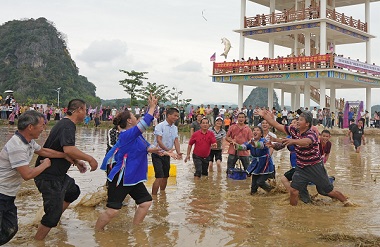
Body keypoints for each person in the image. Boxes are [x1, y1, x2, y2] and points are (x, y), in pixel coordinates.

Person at [96, 94, 174, 231]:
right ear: (129, 121)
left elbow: (148, 147)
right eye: (133, 116)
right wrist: (152, 107)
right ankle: (97, 232)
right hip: (121, 178)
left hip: (134, 178)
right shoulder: (126, 135)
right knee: (113, 211)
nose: (136, 118)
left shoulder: (137, 137)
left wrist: (165, 152)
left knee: (146, 202)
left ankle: (136, 229)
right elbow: (144, 124)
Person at [0, 111, 74, 245]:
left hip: (8, 195)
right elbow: (27, 175)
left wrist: (64, 155)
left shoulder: (28, 142)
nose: (43, 128)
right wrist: (45, 165)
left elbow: (43, 151)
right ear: (30, 127)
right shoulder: (17, 146)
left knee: (10, 229)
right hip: (1, 194)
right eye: (41, 125)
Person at [258, 109, 352, 206]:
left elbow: (306, 142)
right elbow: (276, 125)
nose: (298, 121)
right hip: (301, 167)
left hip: (315, 167)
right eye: (298, 119)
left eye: (301, 120)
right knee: (294, 191)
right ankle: (293, 212)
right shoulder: (293, 130)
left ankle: (346, 202)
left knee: (327, 191)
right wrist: (264, 116)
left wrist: (293, 141)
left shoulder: (312, 134)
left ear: (307, 124)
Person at [34, 99, 98, 240]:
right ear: (79, 109)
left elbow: (63, 149)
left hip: (58, 175)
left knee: (73, 192)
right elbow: (68, 148)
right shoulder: (68, 126)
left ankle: (55, 218)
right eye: (85, 110)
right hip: (48, 176)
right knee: (52, 215)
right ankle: (37, 240)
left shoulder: (65, 123)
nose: (86, 113)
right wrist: (90, 159)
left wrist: (76, 161)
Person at [152, 108, 182, 195]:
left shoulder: (175, 128)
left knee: (165, 176)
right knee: (159, 176)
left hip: (167, 155)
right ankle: (153, 197)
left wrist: (178, 152)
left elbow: (176, 141)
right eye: (175, 116)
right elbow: (159, 140)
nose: (176, 118)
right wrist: (168, 150)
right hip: (157, 154)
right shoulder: (160, 126)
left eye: (177, 116)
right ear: (168, 115)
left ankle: (162, 195)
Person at [236, 126, 274, 195]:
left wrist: (253, 144)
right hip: (256, 164)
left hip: (265, 165)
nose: (255, 131)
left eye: (258, 130)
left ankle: (273, 192)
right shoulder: (251, 141)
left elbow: (260, 145)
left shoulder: (264, 141)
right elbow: (244, 147)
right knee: (253, 188)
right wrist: (236, 145)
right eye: (254, 130)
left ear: (261, 134)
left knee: (260, 182)